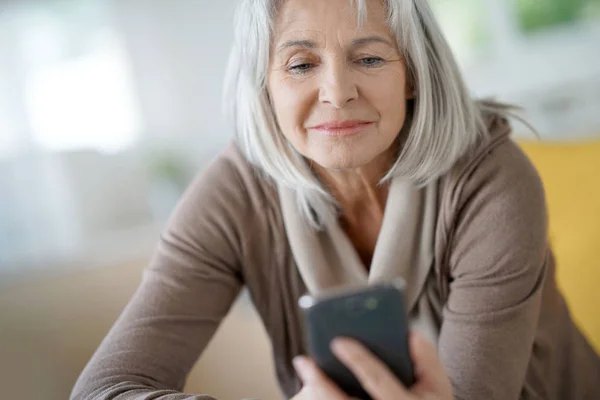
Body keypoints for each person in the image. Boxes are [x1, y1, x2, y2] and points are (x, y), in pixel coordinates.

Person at [71, 0, 600, 399]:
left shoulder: (492, 179)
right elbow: (104, 389)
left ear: (412, 74)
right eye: (301, 65)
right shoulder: (235, 192)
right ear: (265, 88)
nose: (337, 91)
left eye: (369, 58)